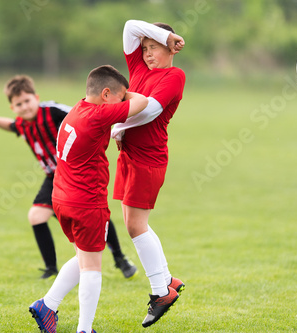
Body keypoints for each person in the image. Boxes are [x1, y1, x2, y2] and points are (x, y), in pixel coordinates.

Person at [0, 75, 138, 279]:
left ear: (36, 97)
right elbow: (11, 125)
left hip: (76, 175)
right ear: (13, 108)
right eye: (18, 104)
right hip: (54, 178)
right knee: (36, 217)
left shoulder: (53, 112)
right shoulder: (23, 123)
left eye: (27, 101)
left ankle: (120, 258)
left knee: (95, 217)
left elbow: (81, 114)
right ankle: (50, 269)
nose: (24, 106)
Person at [29, 65, 149, 333]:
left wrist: (118, 94)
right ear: (106, 94)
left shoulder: (77, 109)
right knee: (93, 268)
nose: (121, 102)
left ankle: (47, 306)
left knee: (84, 257)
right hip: (86, 201)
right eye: (118, 97)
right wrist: (127, 94)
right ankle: (84, 330)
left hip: (61, 197)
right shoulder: (98, 114)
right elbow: (142, 102)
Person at [110, 19, 186, 328]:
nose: (147, 54)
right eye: (144, 48)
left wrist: (113, 126)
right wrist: (164, 35)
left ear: (169, 49)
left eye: (153, 47)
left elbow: (151, 110)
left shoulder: (174, 76)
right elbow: (129, 25)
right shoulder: (139, 68)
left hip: (148, 160)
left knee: (136, 226)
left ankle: (161, 292)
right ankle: (168, 281)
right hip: (128, 156)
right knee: (130, 223)